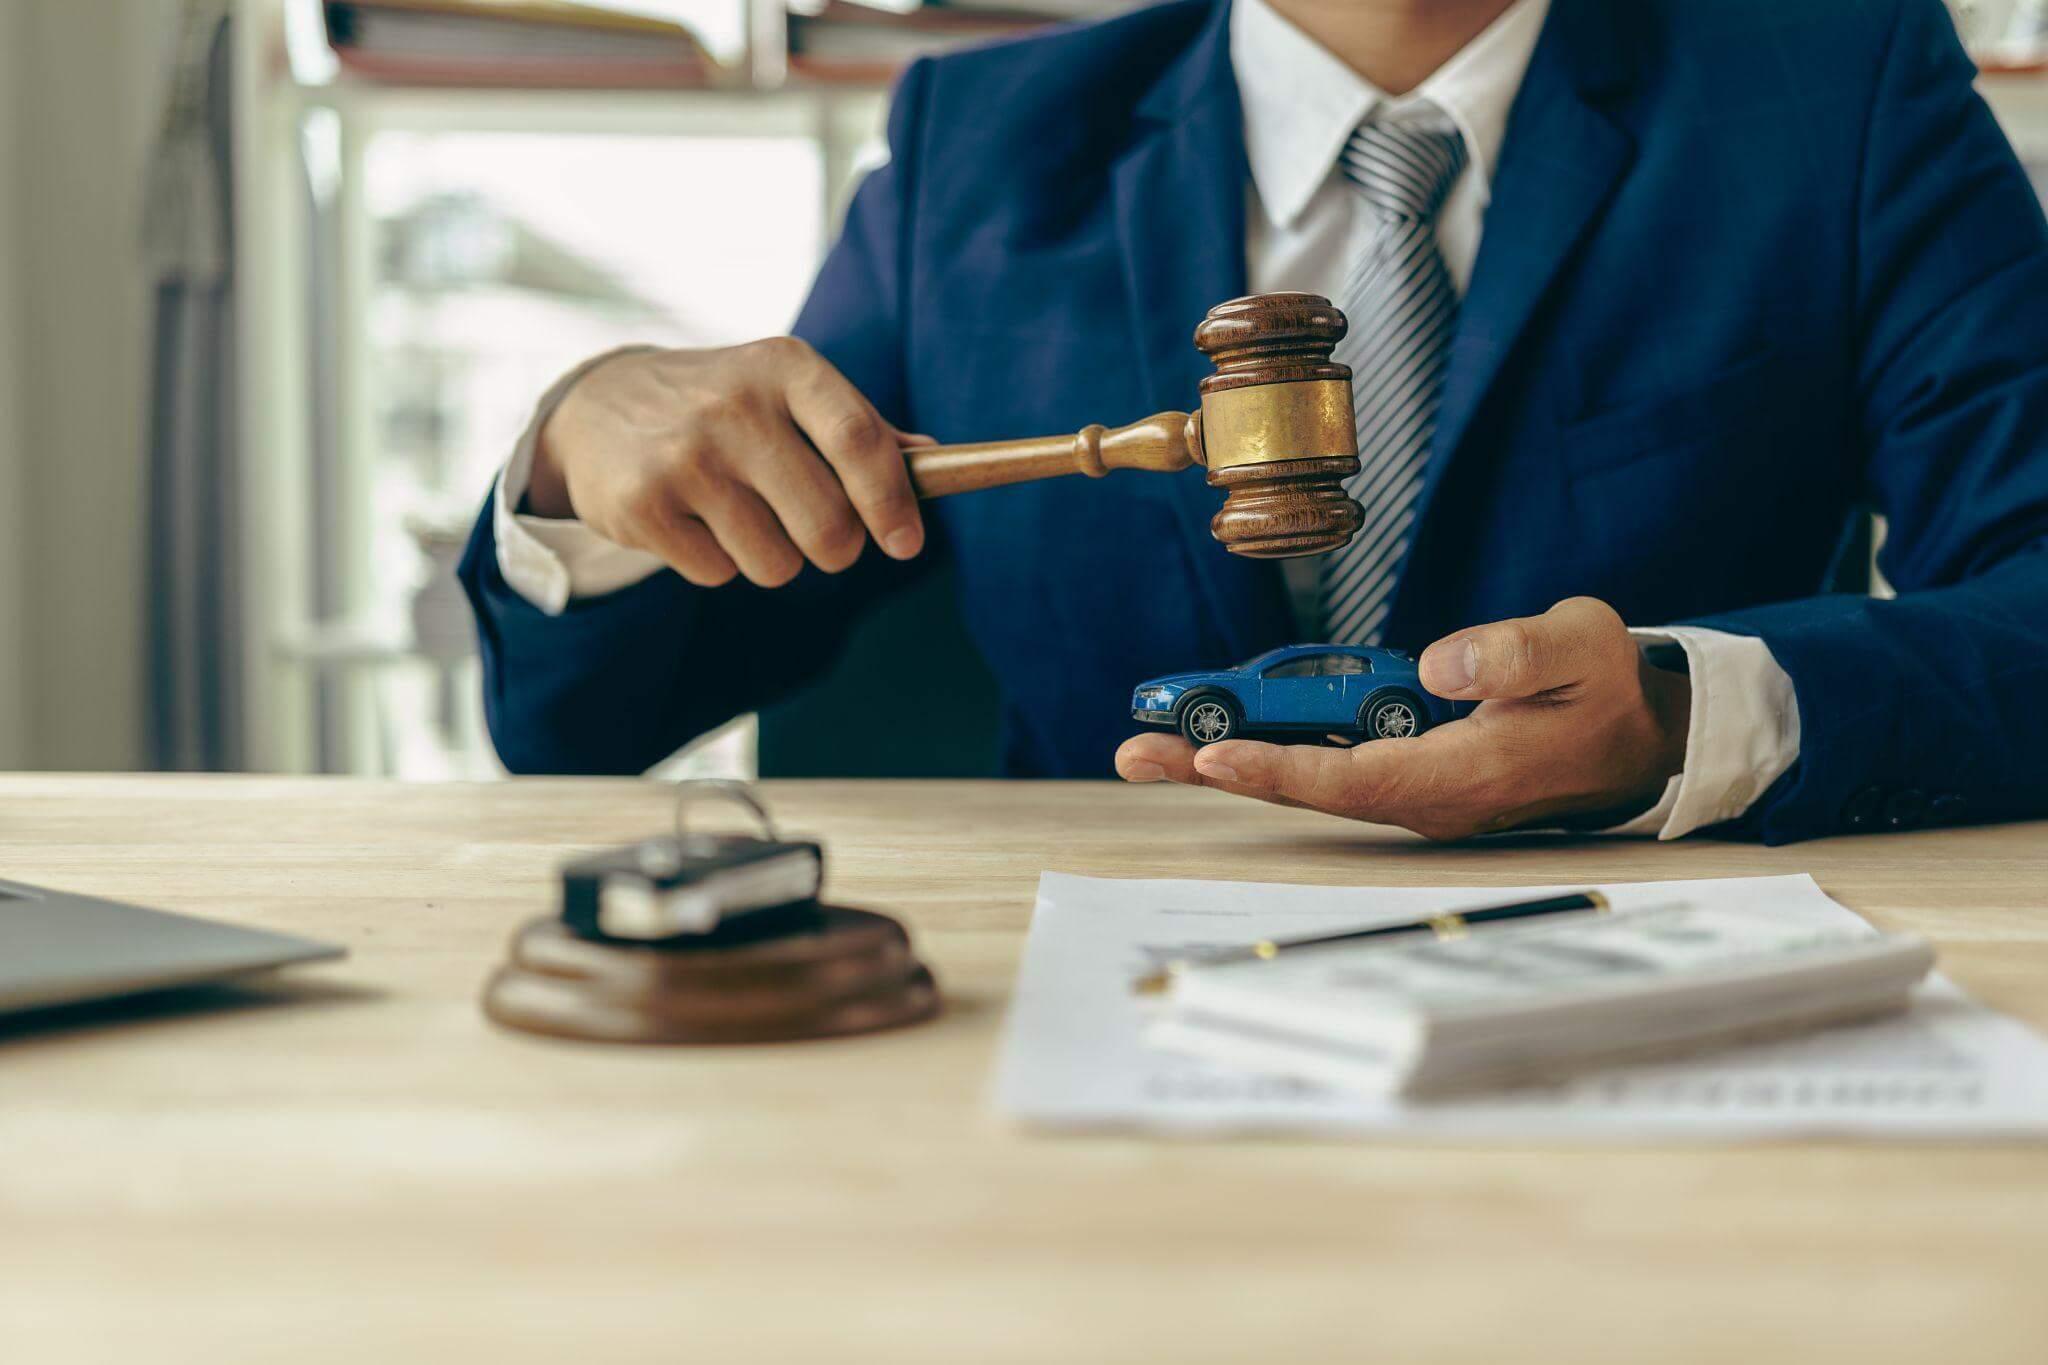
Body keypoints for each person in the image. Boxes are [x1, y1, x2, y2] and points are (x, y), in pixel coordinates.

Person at [458, 0, 2048, 844]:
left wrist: (1689, 714)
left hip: (1640, 997)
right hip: (1086, 1027)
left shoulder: (1840, 90)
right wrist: (573, 461)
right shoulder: (983, 145)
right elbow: (583, 728)